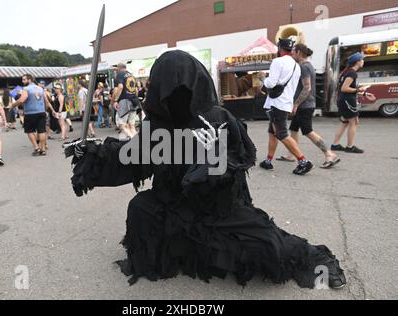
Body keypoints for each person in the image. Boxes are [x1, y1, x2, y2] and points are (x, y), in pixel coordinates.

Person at [68, 50, 346, 290]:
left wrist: (212, 167)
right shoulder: (157, 124)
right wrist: (93, 154)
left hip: (217, 207)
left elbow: (239, 157)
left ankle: (315, 259)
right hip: (173, 201)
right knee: (141, 207)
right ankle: (169, 257)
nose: (172, 95)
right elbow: (133, 157)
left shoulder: (217, 119)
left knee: (266, 243)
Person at [278, 44, 340, 169]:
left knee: (308, 131)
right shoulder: (307, 66)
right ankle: (291, 154)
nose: (292, 55)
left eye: (293, 53)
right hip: (304, 105)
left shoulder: (304, 67)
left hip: (304, 106)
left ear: (299, 52)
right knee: (294, 129)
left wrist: (295, 104)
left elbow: (307, 88)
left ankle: (329, 154)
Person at [258, 38, 314, 176]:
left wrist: (262, 78)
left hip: (276, 104)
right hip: (285, 104)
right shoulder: (296, 66)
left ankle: (303, 161)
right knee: (272, 132)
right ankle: (268, 161)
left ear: (280, 48)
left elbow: (271, 83)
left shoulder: (277, 62)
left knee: (281, 134)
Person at [331, 52, 376, 154]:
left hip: (344, 100)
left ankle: (335, 144)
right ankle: (350, 147)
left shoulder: (347, 72)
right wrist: (358, 90)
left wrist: (364, 93)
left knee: (345, 122)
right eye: (362, 60)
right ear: (357, 62)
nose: (363, 61)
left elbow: (347, 88)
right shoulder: (352, 73)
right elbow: (344, 88)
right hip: (347, 101)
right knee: (354, 122)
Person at [10, 74, 52, 156]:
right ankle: (43, 149)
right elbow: (46, 101)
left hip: (30, 113)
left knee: (30, 131)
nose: (23, 81)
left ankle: (36, 148)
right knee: (41, 131)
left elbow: (22, 100)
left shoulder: (26, 89)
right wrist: (45, 110)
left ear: (29, 80)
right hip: (41, 112)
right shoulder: (40, 88)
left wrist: (13, 105)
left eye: (24, 79)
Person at [113, 63, 140, 139]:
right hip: (134, 101)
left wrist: (115, 100)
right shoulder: (131, 75)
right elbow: (136, 90)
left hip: (124, 102)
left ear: (119, 68)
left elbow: (120, 87)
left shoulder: (120, 74)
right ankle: (137, 141)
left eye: (117, 68)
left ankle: (132, 138)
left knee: (121, 124)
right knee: (132, 125)